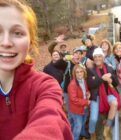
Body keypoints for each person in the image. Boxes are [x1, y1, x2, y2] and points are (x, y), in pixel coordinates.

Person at [0, 0, 73, 140]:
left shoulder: (45, 85)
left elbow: (51, 119)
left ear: (31, 41)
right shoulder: (48, 67)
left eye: (17, 33)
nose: (6, 43)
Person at [87, 48, 121, 140]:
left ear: (103, 57)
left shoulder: (109, 67)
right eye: (95, 57)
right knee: (93, 118)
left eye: (99, 56)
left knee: (114, 103)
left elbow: (116, 83)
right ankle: (91, 132)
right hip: (96, 96)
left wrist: (111, 80)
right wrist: (102, 78)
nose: (97, 58)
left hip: (107, 94)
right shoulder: (90, 69)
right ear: (94, 58)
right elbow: (91, 84)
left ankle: (107, 127)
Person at [68, 64, 90, 140]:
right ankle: (75, 138)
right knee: (78, 126)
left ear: (84, 72)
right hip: (76, 110)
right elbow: (73, 99)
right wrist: (87, 102)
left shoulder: (83, 81)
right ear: (74, 74)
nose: (79, 73)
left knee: (83, 122)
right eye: (77, 72)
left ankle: (82, 133)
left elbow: (85, 90)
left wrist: (88, 93)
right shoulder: (72, 84)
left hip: (84, 108)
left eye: (81, 71)